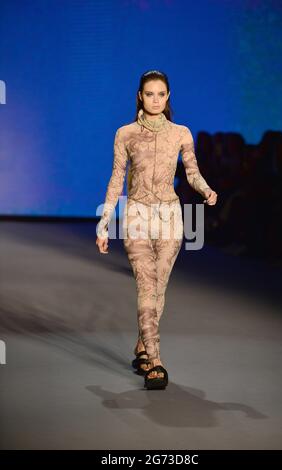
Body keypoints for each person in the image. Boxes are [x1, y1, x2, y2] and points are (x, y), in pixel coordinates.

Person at [96, 70, 217, 389]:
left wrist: (206, 190)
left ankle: (142, 348)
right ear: (140, 96)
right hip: (136, 213)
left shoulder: (181, 133)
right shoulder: (125, 134)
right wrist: (104, 220)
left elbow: (192, 172)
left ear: (168, 97)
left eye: (161, 94)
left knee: (159, 288)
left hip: (170, 216)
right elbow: (116, 179)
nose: (155, 100)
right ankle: (156, 362)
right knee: (146, 287)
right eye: (149, 94)